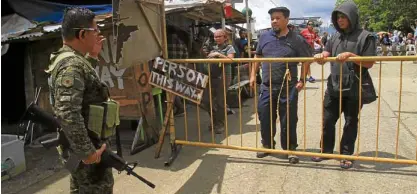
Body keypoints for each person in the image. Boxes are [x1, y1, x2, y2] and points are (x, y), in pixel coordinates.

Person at [45, 7, 114, 193]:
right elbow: (68, 112)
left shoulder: (68, 59)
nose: (99, 33)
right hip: (87, 149)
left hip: (78, 145)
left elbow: (80, 88)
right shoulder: (71, 65)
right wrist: (88, 152)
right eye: (96, 29)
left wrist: (92, 57)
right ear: (83, 34)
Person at [312, 0, 376, 169]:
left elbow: (369, 63)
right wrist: (321, 57)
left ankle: (346, 155)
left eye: (344, 17)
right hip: (333, 86)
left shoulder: (366, 36)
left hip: (355, 88)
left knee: (350, 122)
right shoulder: (334, 36)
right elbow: (327, 52)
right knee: (327, 120)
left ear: (352, 17)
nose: (340, 20)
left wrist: (350, 55)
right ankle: (325, 151)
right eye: (338, 17)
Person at [249, 7, 312, 163]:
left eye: (277, 18)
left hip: (289, 85)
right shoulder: (264, 37)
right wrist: (252, 75)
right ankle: (267, 145)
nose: (274, 21)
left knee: (288, 117)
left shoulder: (297, 39)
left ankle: (290, 149)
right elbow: (257, 56)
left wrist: (302, 80)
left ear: (286, 20)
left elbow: (306, 60)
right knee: (264, 115)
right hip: (267, 84)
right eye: (272, 18)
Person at [201, 29, 236, 134]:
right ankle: (215, 120)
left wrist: (219, 55)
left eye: (219, 36)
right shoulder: (212, 47)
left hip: (224, 77)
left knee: (220, 101)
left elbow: (230, 60)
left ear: (225, 37)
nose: (217, 38)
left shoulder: (229, 47)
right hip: (211, 77)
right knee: (206, 101)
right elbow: (204, 53)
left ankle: (220, 124)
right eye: (215, 37)